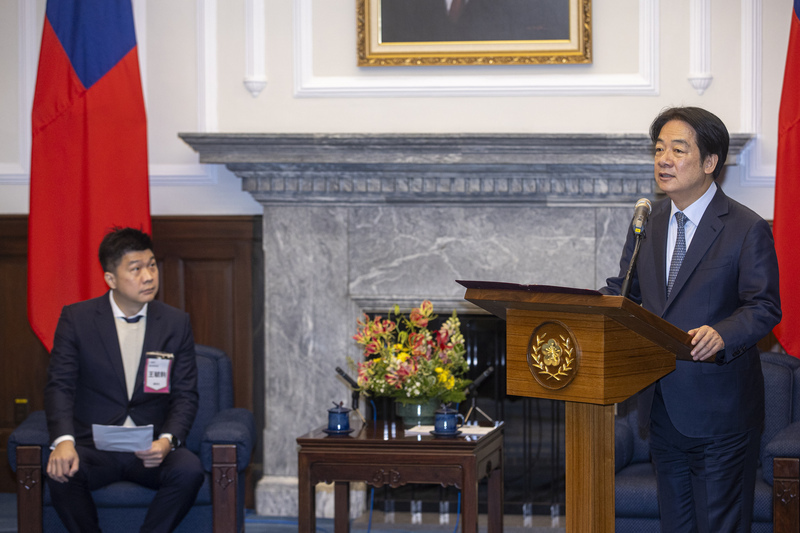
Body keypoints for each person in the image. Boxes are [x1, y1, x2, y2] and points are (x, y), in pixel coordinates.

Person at [601, 106, 781, 532]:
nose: (664, 158)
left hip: (722, 412)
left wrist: (721, 333)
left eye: (677, 149)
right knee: (676, 525)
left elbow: (764, 307)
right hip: (662, 406)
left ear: (710, 162)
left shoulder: (745, 227)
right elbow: (625, 293)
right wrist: (587, 308)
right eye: (659, 148)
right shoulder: (648, 222)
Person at [44, 227, 204, 533]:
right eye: (136, 269)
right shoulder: (77, 320)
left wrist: (167, 441)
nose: (148, 276)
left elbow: (186, 394)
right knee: (61, 471)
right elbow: (59, 386)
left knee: (189, 471)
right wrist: (63, 442)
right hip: (93, 447)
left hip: (150, 446)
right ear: (110, 279)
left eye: (152, 265)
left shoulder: (175, 322)